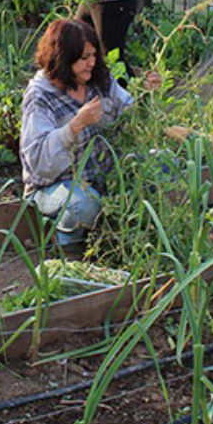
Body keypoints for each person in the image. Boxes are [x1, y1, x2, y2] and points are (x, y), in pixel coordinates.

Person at [20, 18, 135, 254]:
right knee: (83, 204)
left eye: (94, 56)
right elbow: (38, 162)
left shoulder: (98, 81)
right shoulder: (40, 96)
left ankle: (117, 244)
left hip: (101, 176)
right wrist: (74, 126)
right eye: (84, 58)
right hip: (52, 186)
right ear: (63, 57)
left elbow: (129, 110)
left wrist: (147, 95)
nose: (91, 63)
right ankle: (66, 252)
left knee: (158, 167)